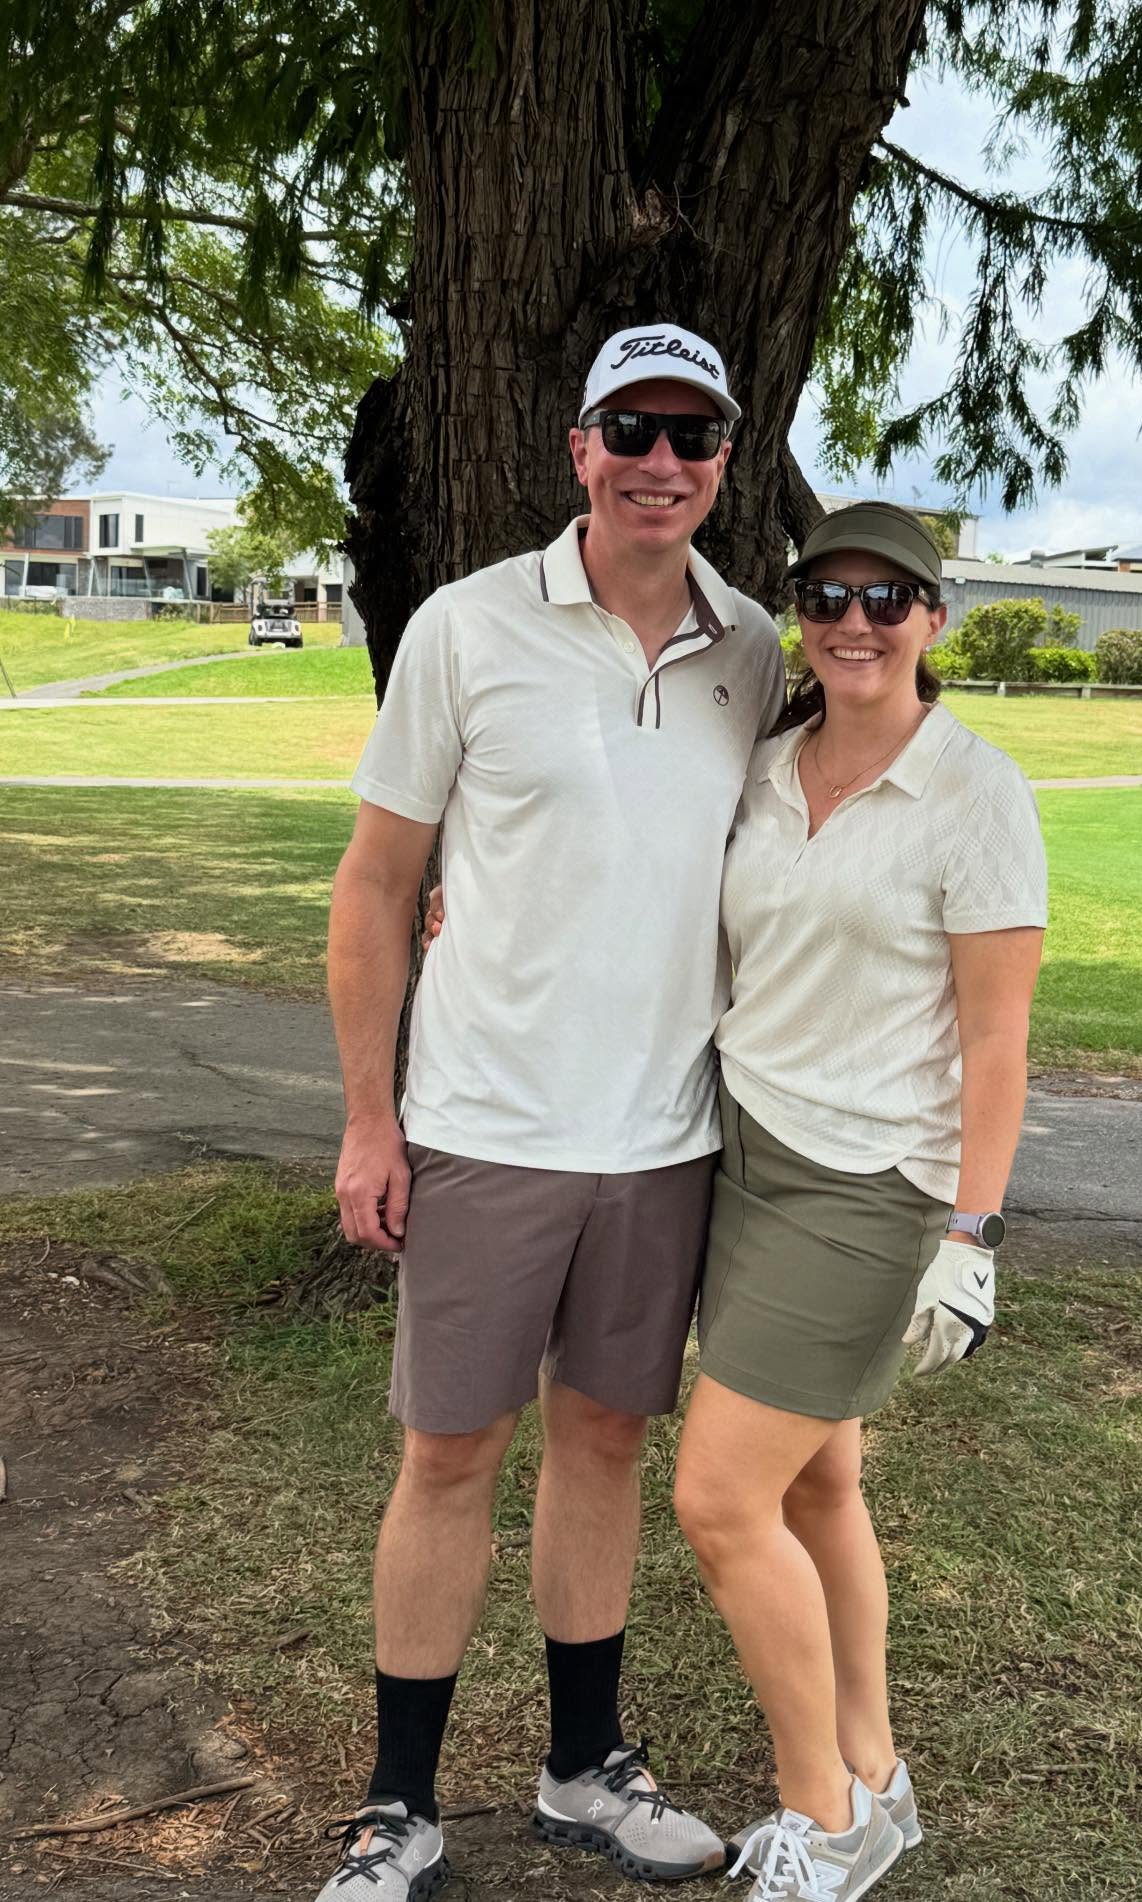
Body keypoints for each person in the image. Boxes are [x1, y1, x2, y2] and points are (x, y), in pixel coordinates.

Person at [319, 323, 785, 1899]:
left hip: (665, 1138)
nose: (665, 461)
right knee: (449, 1456)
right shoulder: (467, 626)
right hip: (485, 1124)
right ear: (579, 446)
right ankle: (400, 1805)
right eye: (633, 429)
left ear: (727, 455)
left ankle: (583, 1767)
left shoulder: (758, 648)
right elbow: (381, 882)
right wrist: (371, 1120)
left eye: (695, 434)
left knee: (604, 1448)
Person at [670, 502, 1048, 1901]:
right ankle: (875, 1775)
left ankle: (819, 1816)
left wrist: (968, 1231)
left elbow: (997, 1039)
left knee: (718, 1498)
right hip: (747, 1156)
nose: (855, 621)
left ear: (933, 620)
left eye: (889, 599)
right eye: (828, 594)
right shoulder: (766, 770)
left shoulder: (976, 792)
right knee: (820, 1477)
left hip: (873, 1180)